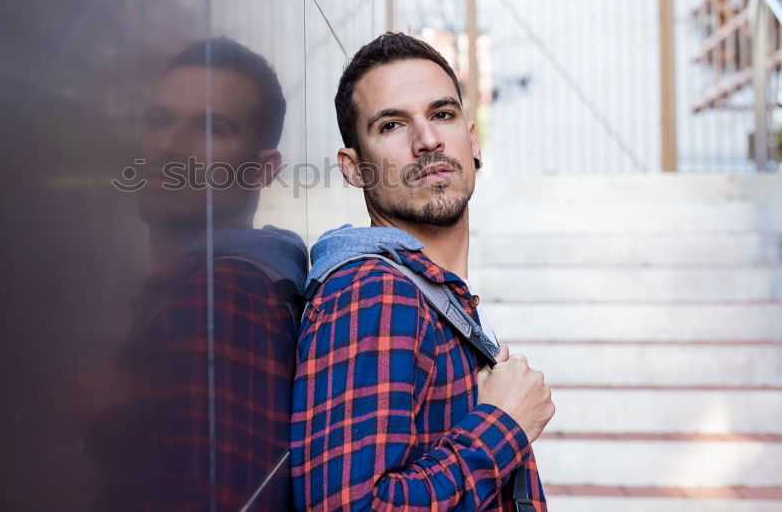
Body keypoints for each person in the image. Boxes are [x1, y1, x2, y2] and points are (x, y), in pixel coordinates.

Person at [290, 32, 554, 510]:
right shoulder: (373, 291)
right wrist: (503, 426)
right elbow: (350, 506)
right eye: (391, 125)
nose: (427, 139)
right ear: (355, 169)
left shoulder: (430, 292)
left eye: (442, 114)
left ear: (472, 142)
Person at [84, 38, 306, 510]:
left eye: (211, 128)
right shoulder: (224, 284)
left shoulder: (222, 299)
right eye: (158, 120)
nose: (167, 146)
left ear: (261, 171)